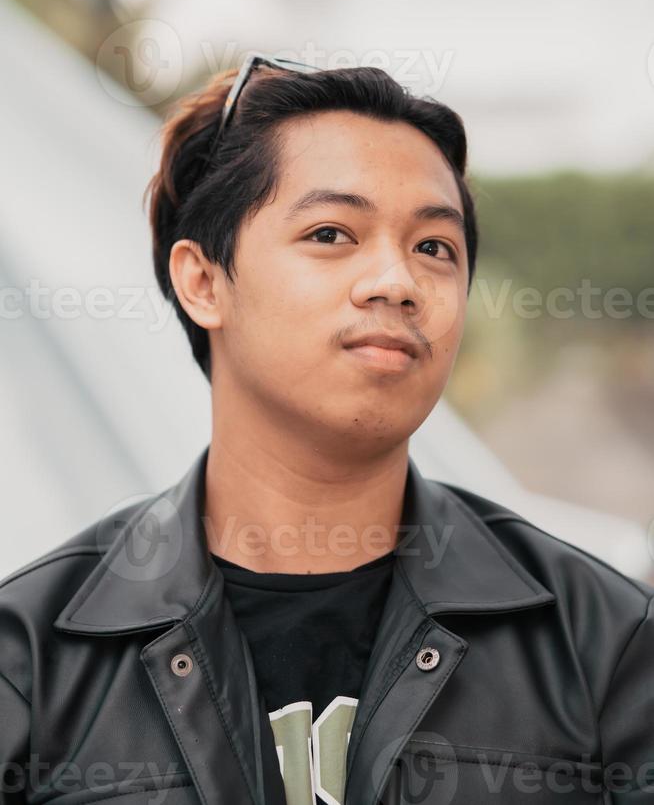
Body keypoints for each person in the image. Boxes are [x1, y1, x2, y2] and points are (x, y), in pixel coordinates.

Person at [0, 53, 652, 805]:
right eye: (332, 233)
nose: (397, 282)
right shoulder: (32, 659)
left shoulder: (605, 644)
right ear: (204, 281)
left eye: (434, 248)